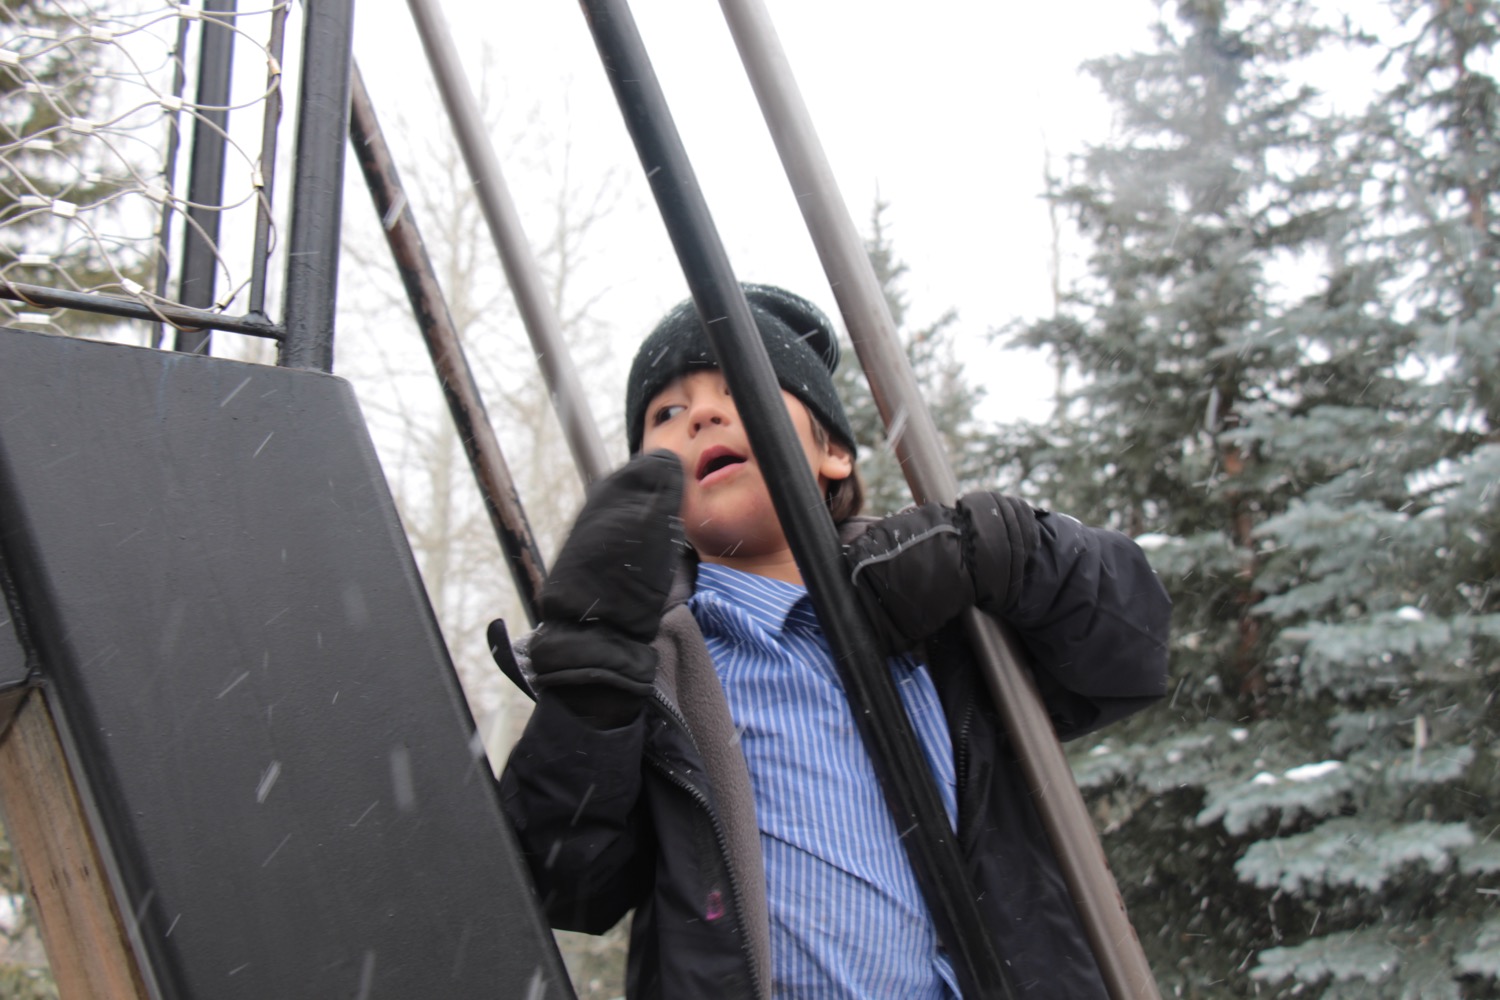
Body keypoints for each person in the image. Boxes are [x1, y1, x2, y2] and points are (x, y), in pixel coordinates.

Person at [494, 284, 1170, 999]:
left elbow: (1129, 647)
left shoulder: (940, 607)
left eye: (738, 387)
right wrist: (591, 691)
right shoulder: (651, 670)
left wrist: (997, 549)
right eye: (666, 413)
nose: (703, 415)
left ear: (835, 453)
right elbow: (567, 880)